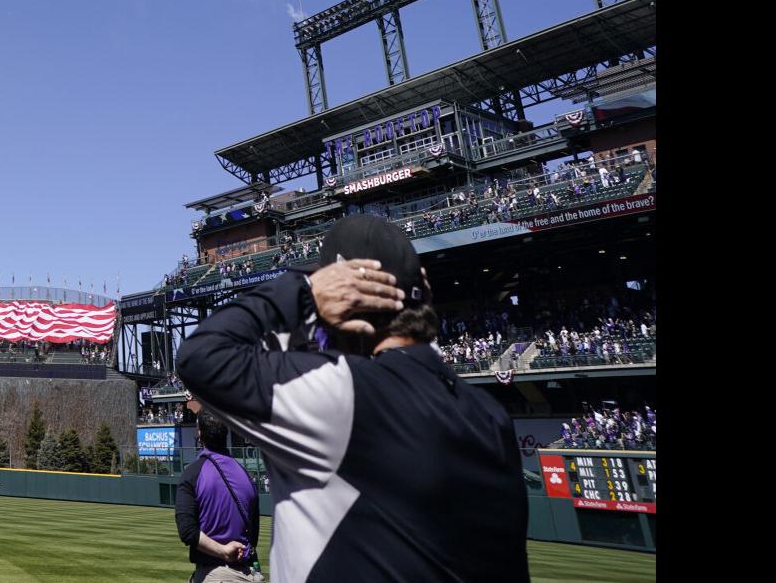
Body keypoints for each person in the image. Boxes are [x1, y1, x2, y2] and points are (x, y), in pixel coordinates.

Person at [176, 215, 529, 583]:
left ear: (344, 298)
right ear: (424, 286)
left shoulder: (343, 392)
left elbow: (201, 356)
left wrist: (304, 290)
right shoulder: (491, 416)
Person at [174, 410, 264, 582]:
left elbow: (187, 532)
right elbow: (254, 536)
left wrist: (223, 551)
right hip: (249, 574)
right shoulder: (245, 474)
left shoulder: (193, 472)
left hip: (215, 574)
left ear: (199, 433)